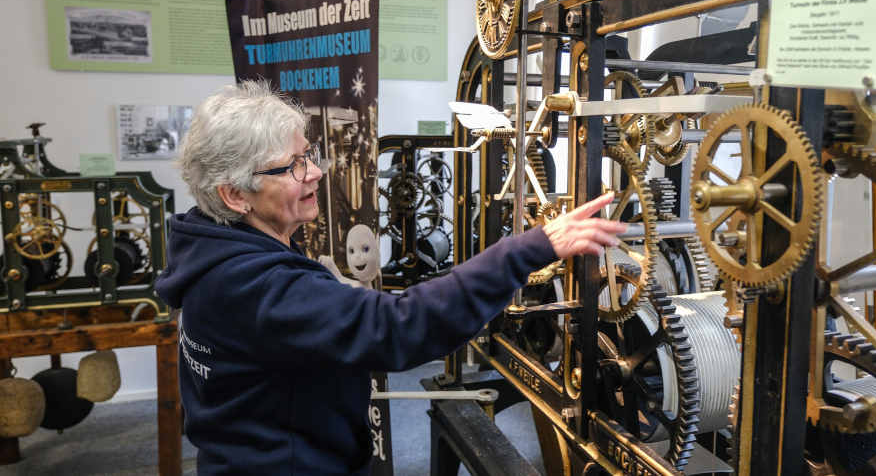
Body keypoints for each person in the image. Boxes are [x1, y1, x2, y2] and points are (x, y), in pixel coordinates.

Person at [155, 80, 625, 475]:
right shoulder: (252, 285)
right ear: (236, 195)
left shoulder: (208, 248)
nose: (316, 172)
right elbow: (399, 326)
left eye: (309, 154)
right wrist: (532, 246)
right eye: (294, 166)